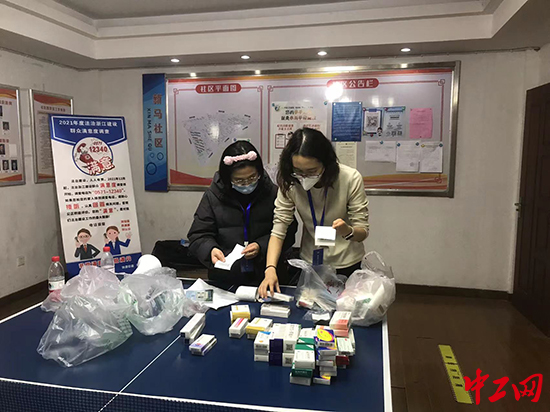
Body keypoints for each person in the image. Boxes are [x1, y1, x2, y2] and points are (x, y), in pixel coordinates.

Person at [259, 128, 369, 298]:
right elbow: (279, 228)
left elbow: (362, 232)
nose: (304, 177)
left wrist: (348, 231)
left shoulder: (350, 178)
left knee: (344, 310)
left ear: (326, 163)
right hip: (310, 261)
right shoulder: (290, 182)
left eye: (312, 171)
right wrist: (270, 269)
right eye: (298, 170)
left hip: (347, 262)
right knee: (309, 309)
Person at [188, 141, 296, 288]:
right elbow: (198, 235)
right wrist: (210, 250)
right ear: (227, 178)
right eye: (239, 180)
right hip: (226, 277)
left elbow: (289, 231)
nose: (246, 184)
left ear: (260, 172)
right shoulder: (213, 197)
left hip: (267, 275)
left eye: (252, 178)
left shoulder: (273, 193)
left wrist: (261, 246)